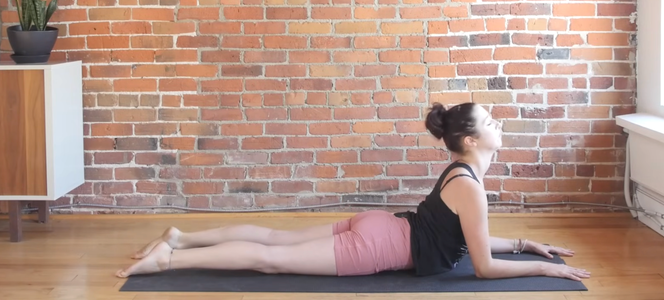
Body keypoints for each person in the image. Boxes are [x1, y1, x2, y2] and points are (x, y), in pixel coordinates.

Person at [116, 102, 590, 282]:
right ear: (470, 140)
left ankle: (181, 237)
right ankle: (170, 258)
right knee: (271, 259)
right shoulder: (471, 187)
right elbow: (482, 265)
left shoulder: (460, 173)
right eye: (491, 122)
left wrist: (528, 244)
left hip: (384, 226)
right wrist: (547, 272)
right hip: (379, 242)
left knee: (277, 239)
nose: (498, 124)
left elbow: (472, 241)